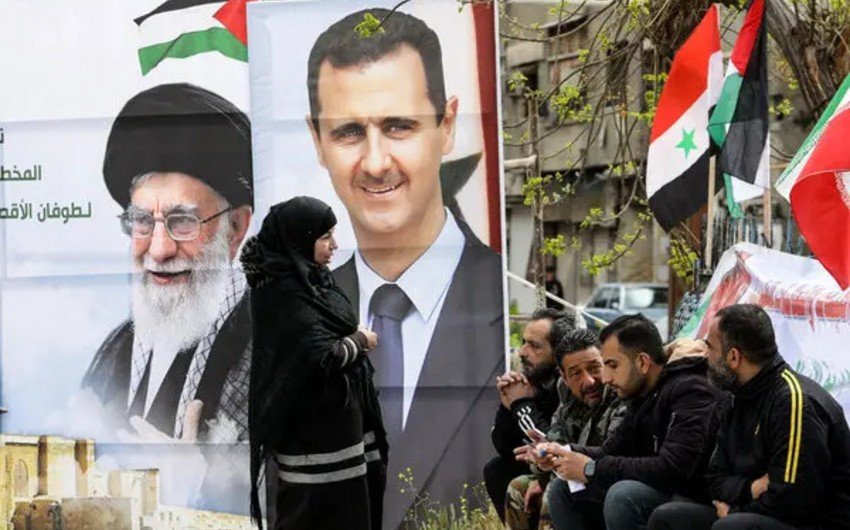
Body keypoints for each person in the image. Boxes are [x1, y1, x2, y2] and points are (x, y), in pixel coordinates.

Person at [305, 8, 504, 527]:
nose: (375, 163)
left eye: (398, 126)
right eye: (349, 131)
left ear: (447, 126)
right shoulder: (299, 319)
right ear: (317, 141)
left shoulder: (511, 305)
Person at [82, 83, 254, 443]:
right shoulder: (117, 349)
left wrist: (203, 471)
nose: (159, 250)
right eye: (142, 221)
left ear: (236, 228)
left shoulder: (269, 349)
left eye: (184, 221)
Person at [242, 197, 388, 530]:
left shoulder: (313, 280)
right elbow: (321, 358)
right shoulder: (282, 292)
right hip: (313, 448)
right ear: (299, 239)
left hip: (342, 437)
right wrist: (360, 341)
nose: (334, 244)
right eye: (325, 236)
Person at [649, 304, 850, 530]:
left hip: (808, 522)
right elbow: (713, 479)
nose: (705, 355)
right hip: (751, 509)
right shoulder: (735, 397)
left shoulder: (795, 402)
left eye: (710, 348)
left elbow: (792, 499)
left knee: (732, 526)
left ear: (734, 357)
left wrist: (735, 512)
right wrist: (752, 488)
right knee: (668, 516)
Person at [538, 314, 724, 530]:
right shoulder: (643, 393)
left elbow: (673, 468)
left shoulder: (690, 389)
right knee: (563, 489)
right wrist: (562, 452)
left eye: (612, 365)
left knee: (623, 496)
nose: (606, 378)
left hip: (700, 500)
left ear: (643, 362)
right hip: (666, 491)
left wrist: (591, 469)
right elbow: (610, 451)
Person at [506, 326, 626, 530]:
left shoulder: (621, 394)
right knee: (518, 487)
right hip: (576, 477)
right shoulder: (567, 401)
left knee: (555, 491)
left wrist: (553, 471)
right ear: (564, 376)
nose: (589, 381)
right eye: (576, 373)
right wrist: (542, 459)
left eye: (594, 368)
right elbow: (556, 444)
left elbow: (612, 456)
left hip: (610, 480)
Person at [484, 309, 571, 522]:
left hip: (574, 468)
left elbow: (553, 445)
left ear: (559, 352)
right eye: (524, 343)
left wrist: (521, 404)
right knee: (497, 469)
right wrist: (508, 407)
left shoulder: (572, 384)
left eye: (534, 346)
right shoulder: (535, 381)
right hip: (543, 465)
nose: (522, 352)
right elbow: (507, 449)